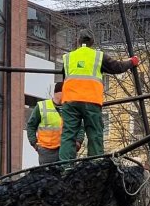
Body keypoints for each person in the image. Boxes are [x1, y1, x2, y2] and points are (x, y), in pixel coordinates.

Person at [58, 34, 139, 163]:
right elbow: (117, 67)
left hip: (70, 100)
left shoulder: (68, 57)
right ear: (92, 42)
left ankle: (65, 166)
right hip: (91, 101)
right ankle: (95, 165)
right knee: (94, 134)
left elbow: (65, 77)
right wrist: (132, 62)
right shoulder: (98, 56)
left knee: (68, 134)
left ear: (78, 42)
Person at [26, 82, 82, 165]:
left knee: (67, 176)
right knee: (48, 176)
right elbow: (31, 125)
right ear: (57, 93)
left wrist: (78, 142)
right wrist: (34, 143)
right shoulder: (42, 106)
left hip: (68, 149)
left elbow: (80, 126)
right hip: (47, 151)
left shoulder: (72, 107)